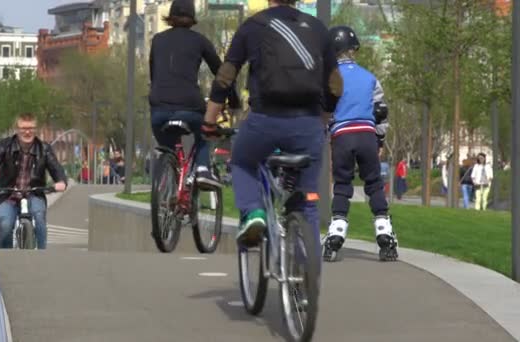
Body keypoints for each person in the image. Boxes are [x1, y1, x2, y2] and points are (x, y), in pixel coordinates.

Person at [203, 0, 342, 246]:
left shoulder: (252, 26)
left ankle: (254, 211)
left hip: (264, 120)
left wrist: (210, 119)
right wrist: (323, 117)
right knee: (307, 201)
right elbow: (335, 84)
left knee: (243, 163)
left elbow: (225, 76)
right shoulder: (318, 29)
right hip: (307, 123)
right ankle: (307, 280)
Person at [322, 26, 398, 261]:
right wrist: (380, 138)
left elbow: (324, 109)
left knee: (343, 184)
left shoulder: (329, 78)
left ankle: (335, 236)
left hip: (342, 136)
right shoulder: (369, 77)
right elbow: (380, 111)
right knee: (374, 184)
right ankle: (384, 235)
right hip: (366, 134)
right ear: (352, 49)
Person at [149, 0, 240, 190]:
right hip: (189, 106)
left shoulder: (157, 40)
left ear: (170, 17)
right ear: (192, 19)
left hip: (159, 109)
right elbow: (221, 73)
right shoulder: (200, 41)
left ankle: (169, 188)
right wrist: (233, 98)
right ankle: (202, 169)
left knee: (168, 148)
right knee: (204, 133)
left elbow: (154, 73)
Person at [0, 113, 67, 249]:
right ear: (17, 129)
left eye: (31, 128)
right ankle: (6, 257)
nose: (27, 132)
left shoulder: (44, 149)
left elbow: (56, 168)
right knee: (5, 223)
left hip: (34, 193)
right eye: (23, 128)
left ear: (35, 129)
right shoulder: (6, 146)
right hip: (8, 194)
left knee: (39, 217)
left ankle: (41, 252)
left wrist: (61, 181)